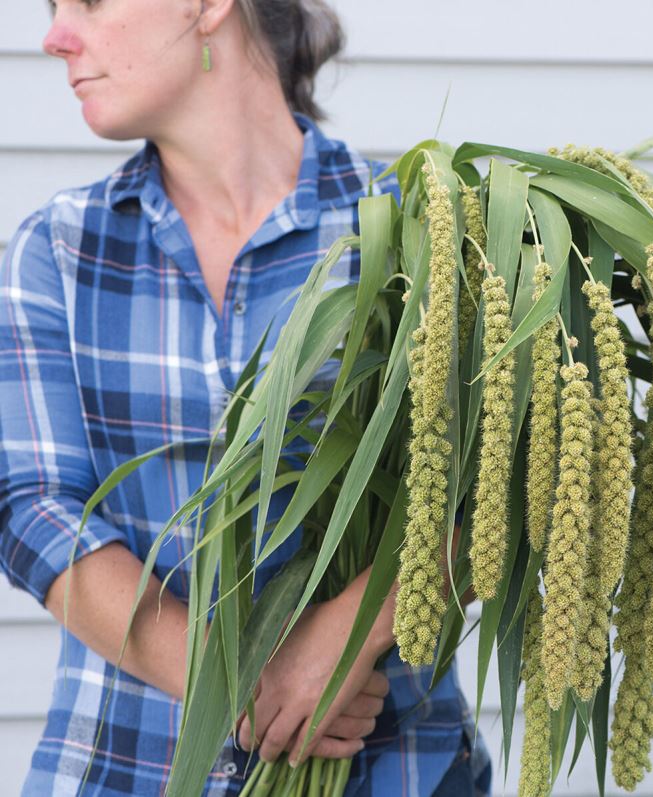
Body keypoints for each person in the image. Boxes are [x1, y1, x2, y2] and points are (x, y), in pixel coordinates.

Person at [0, 0, 491, 794]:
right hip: (125, 768)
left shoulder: (413, 231)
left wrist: (348, 632)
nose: (55, 38)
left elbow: (500, 483)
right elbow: (34, 507)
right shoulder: (60, 249)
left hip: (391, 768)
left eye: (86, 1)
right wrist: (234, 684)